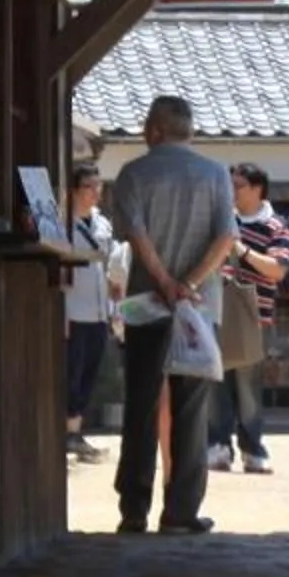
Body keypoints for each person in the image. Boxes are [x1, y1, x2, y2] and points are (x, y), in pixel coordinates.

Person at [107, 94, 236, 536]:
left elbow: (136, 235)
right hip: (199, 309)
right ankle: (181, 511)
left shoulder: (133, 174)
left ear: (153, 130)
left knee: (141, 402)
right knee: (191, 408)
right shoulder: (216, 174)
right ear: (190, 131)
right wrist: (191, 284)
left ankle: (133, 508)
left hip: (149, 302)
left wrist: (163, 281)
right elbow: (225, 238)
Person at [207, 163, 289, 475]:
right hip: (215, 310)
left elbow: (278, 269)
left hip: (255, 317)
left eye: (238, 185)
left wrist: (241, 251)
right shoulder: (220, 219)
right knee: (216, 381)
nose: (231, 191)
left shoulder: (275, 226)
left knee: (248, 386)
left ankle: (253, 448)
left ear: (257, 189)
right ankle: (217, 446)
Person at [53, 164, 120, 461]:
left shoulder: (103, 224)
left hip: (98, 310)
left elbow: (110, 266)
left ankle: (75, 432)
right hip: (72, 309)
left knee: (90, 373)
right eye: (88, 187)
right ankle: (67, 433)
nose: (94, 193)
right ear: (73, 191)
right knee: (71, 373)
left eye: (98, 187)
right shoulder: (61, 224)